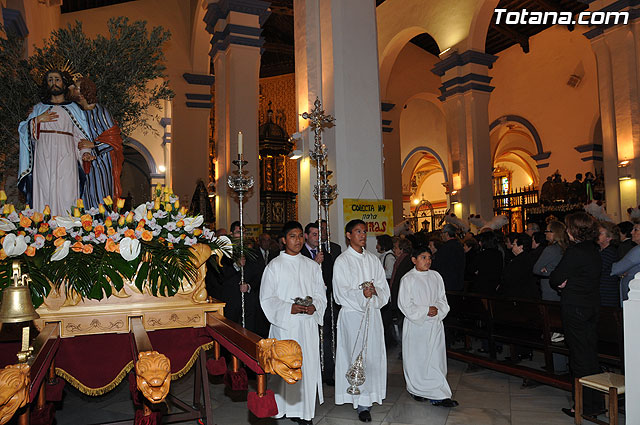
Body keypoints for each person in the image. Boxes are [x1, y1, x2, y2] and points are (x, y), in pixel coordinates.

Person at [259, 221, 327, 425]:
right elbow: (267, 299)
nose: (297, 240)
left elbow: (320, 294)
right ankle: (283, 408)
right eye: (292, 236)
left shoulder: (312, 266)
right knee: (284, 365)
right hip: (284, 326)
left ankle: (304, 411)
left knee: (306, 365)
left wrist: (314, 306)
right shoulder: (274, 266)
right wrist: (289, 308)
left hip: (306, 325)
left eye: (300, 236)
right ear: (283, 240)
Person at [333, 219, 390, 423]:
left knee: (372, 355)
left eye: (365, 232)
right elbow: (340, 292)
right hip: (352, 317)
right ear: (349, 235)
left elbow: (384, 287)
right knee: (354, 355)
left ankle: (369, 396)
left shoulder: (373, 260)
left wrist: (375, 292)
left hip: (372, 316)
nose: (363, 235)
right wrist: (361, 293)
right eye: (358, 231)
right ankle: (358, 401)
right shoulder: (342, 261)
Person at [18, 69, 93, 215]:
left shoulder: (74, 109)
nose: (54, 83)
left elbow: (81, 136)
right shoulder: (39, 108)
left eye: (57, 79)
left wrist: (85, 153)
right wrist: (37, 120)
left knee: (67, 191)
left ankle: (67, 229)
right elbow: (23, 131)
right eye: (50, 80)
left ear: (64, 83)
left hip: (67, 156)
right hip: (43, 156)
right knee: (44, 189)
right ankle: (44, 228)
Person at [550, 212, 603, 418]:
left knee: (579, 358)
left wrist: (564, 283)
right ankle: (595, 403)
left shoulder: (575, 251)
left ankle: (582, 406)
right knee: (590, 355)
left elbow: (555, 278)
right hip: (591, 306)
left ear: (573, 230)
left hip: (575, 308)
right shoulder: (593, 249)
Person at [398, 245, 458, 408]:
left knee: (436, 359)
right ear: (414, 260)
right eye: (423, 257)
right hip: (417, 326)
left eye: (429, 258)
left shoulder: (436, 276)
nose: (428, 261)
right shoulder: (408, 279)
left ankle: (440, 393)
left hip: (435, 324)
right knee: (418, 359)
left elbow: (442, 299)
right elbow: (404, 304)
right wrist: (425, 311)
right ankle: (417, 389)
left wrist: (437, 310)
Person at [72, 77, 124, 208]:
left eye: (76, 88)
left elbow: (114, 138)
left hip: (102, 160)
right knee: (86, 194)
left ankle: (103, 224)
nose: (73, 90)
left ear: (84, 92)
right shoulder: (78, 113)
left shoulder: (100, 111)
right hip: (83, 160)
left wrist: (94, 146)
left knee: (101, 194)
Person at [301, 221, 337, 385]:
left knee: (326, 337)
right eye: (314, 234)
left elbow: (330, 279)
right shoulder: (300, 255)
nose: (318, 237)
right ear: (306, 236)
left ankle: (327, 372)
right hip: (305, 304)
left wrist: (326, 287)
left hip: (323, 303)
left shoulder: (327, 255)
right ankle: (308, 372)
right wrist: (314, 264)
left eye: (320, 234)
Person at [533, 221, 568, 302]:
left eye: (547, 231)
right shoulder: (566, 247)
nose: (545, 233)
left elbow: (536, 269)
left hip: (550, 289)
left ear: (554, 233)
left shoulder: (550, 249)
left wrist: (547, 271)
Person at [499, 233, 539, 299]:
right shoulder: (529, 258)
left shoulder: (519, 261)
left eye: (514, 244)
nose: (512, 246)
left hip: (518, 296)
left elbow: (509, 279)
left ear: (521, 246)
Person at [611, 221, 640, 304]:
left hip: (634, 290)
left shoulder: (637, 250)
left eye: (636, 230)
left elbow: (616, 269)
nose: (631, 232)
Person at [431, 224, 465, 291]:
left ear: (446, 233)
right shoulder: (459, 245)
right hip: (458, 282)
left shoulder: (446, 247)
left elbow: (437, 264)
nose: (441, 235)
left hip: (447, 284)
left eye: (442, 233)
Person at [597, 222, 620, 307]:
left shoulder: (610, 252)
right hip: (602, 293)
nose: (596, 235)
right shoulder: (601, 250)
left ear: (609, 238)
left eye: (600, 233)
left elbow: (597, 269)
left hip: (607, 294)